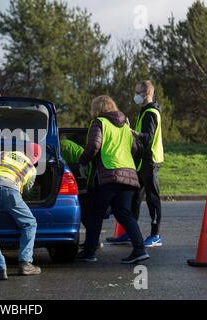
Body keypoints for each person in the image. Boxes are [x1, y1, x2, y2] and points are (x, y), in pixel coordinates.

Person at [76, 95, 149, 264]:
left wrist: (82, 161)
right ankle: (140, 249)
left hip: (108, 175)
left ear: (97, 108)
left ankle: (90, 252)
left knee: (95, 214)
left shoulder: (99, 122)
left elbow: (94, 145)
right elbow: (136, 149)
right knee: (124, 214)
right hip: (129, 176)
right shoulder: (125, 127)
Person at [107, 80, 164, 247]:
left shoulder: (151, 112)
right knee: (135, 197)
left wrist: (132, 132)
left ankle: (156, 235)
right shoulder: (145, 110)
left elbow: (148, 137)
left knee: (153, 198)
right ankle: (131, 233)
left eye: (137, 92)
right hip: (142, 161)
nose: (135, 95)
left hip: (150, 161)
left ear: (146, 94)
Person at [0, 143, 42, 280]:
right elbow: (28, 191)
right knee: (30, 224)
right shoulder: (31, 168)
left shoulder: (3, 154)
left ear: (23, 150)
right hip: (11, 192)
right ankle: (25, 263)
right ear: (36, 159)